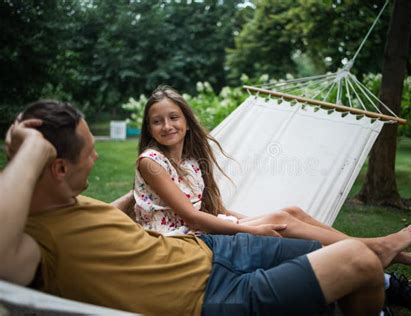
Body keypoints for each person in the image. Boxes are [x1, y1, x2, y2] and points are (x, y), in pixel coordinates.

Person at [0, 99, 388, 315]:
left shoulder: (66, 202)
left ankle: (386, 283)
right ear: (58, 167)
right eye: (91, 151)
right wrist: (32, 151)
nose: (98, 157)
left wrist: (140, 195)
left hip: (211, 250)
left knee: (341, 253)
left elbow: (106, 219)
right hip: (212, 297)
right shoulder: (31, 243)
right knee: (360, 260)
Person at [133, 85, 411, 269]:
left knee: (290, 213)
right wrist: (253, 229)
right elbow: (193, 218)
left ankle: (374, 247)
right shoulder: (152, 163)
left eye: (173, 117)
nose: (167, 125)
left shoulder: (190, 161)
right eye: (157, 121)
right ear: (149, 128)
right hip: (178, 241)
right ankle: (376, 248)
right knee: (280, 224)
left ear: (186, 121)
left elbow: (210, 210)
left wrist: (249, 219)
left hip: (199, 229)